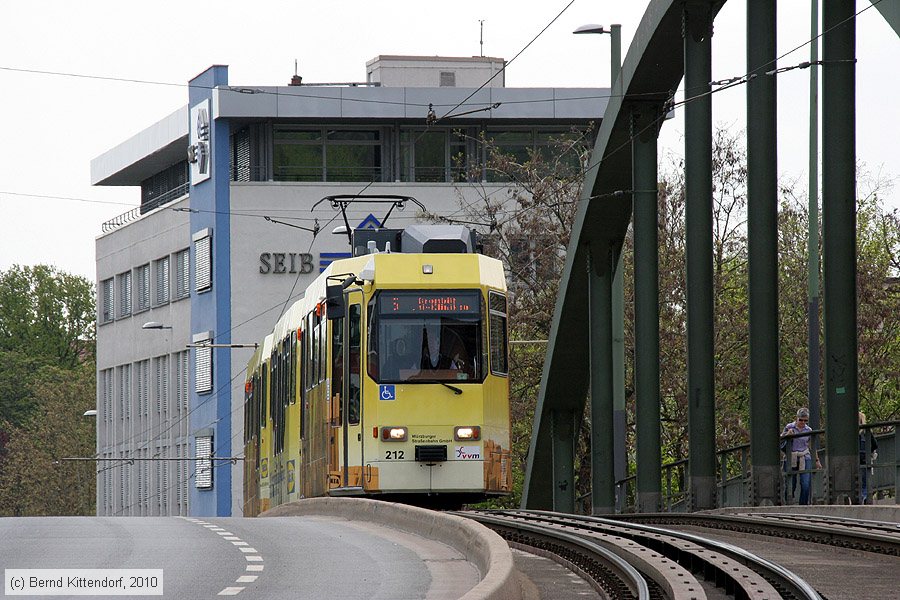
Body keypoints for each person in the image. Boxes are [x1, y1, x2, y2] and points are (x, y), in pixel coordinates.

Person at [782, 408, 820, 505]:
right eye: (801, 420)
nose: (803, 422)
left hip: (804, 456)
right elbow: (781, 439)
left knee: (805, 483)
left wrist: (816, 460)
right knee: (791, 483)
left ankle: (803, 504)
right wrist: (787, 435)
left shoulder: (808, 430)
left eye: (805, 420)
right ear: (797, 418)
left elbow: (812, 445)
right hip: (792, 456)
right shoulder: (789, 427)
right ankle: (789, 502)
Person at [858, 412, 879, 504]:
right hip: (864, 459)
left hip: (852, 461)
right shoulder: (866, 432)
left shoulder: (850, 431)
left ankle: (860, 497)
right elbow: (875, 444)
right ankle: (864, 497)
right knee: (865, 482)